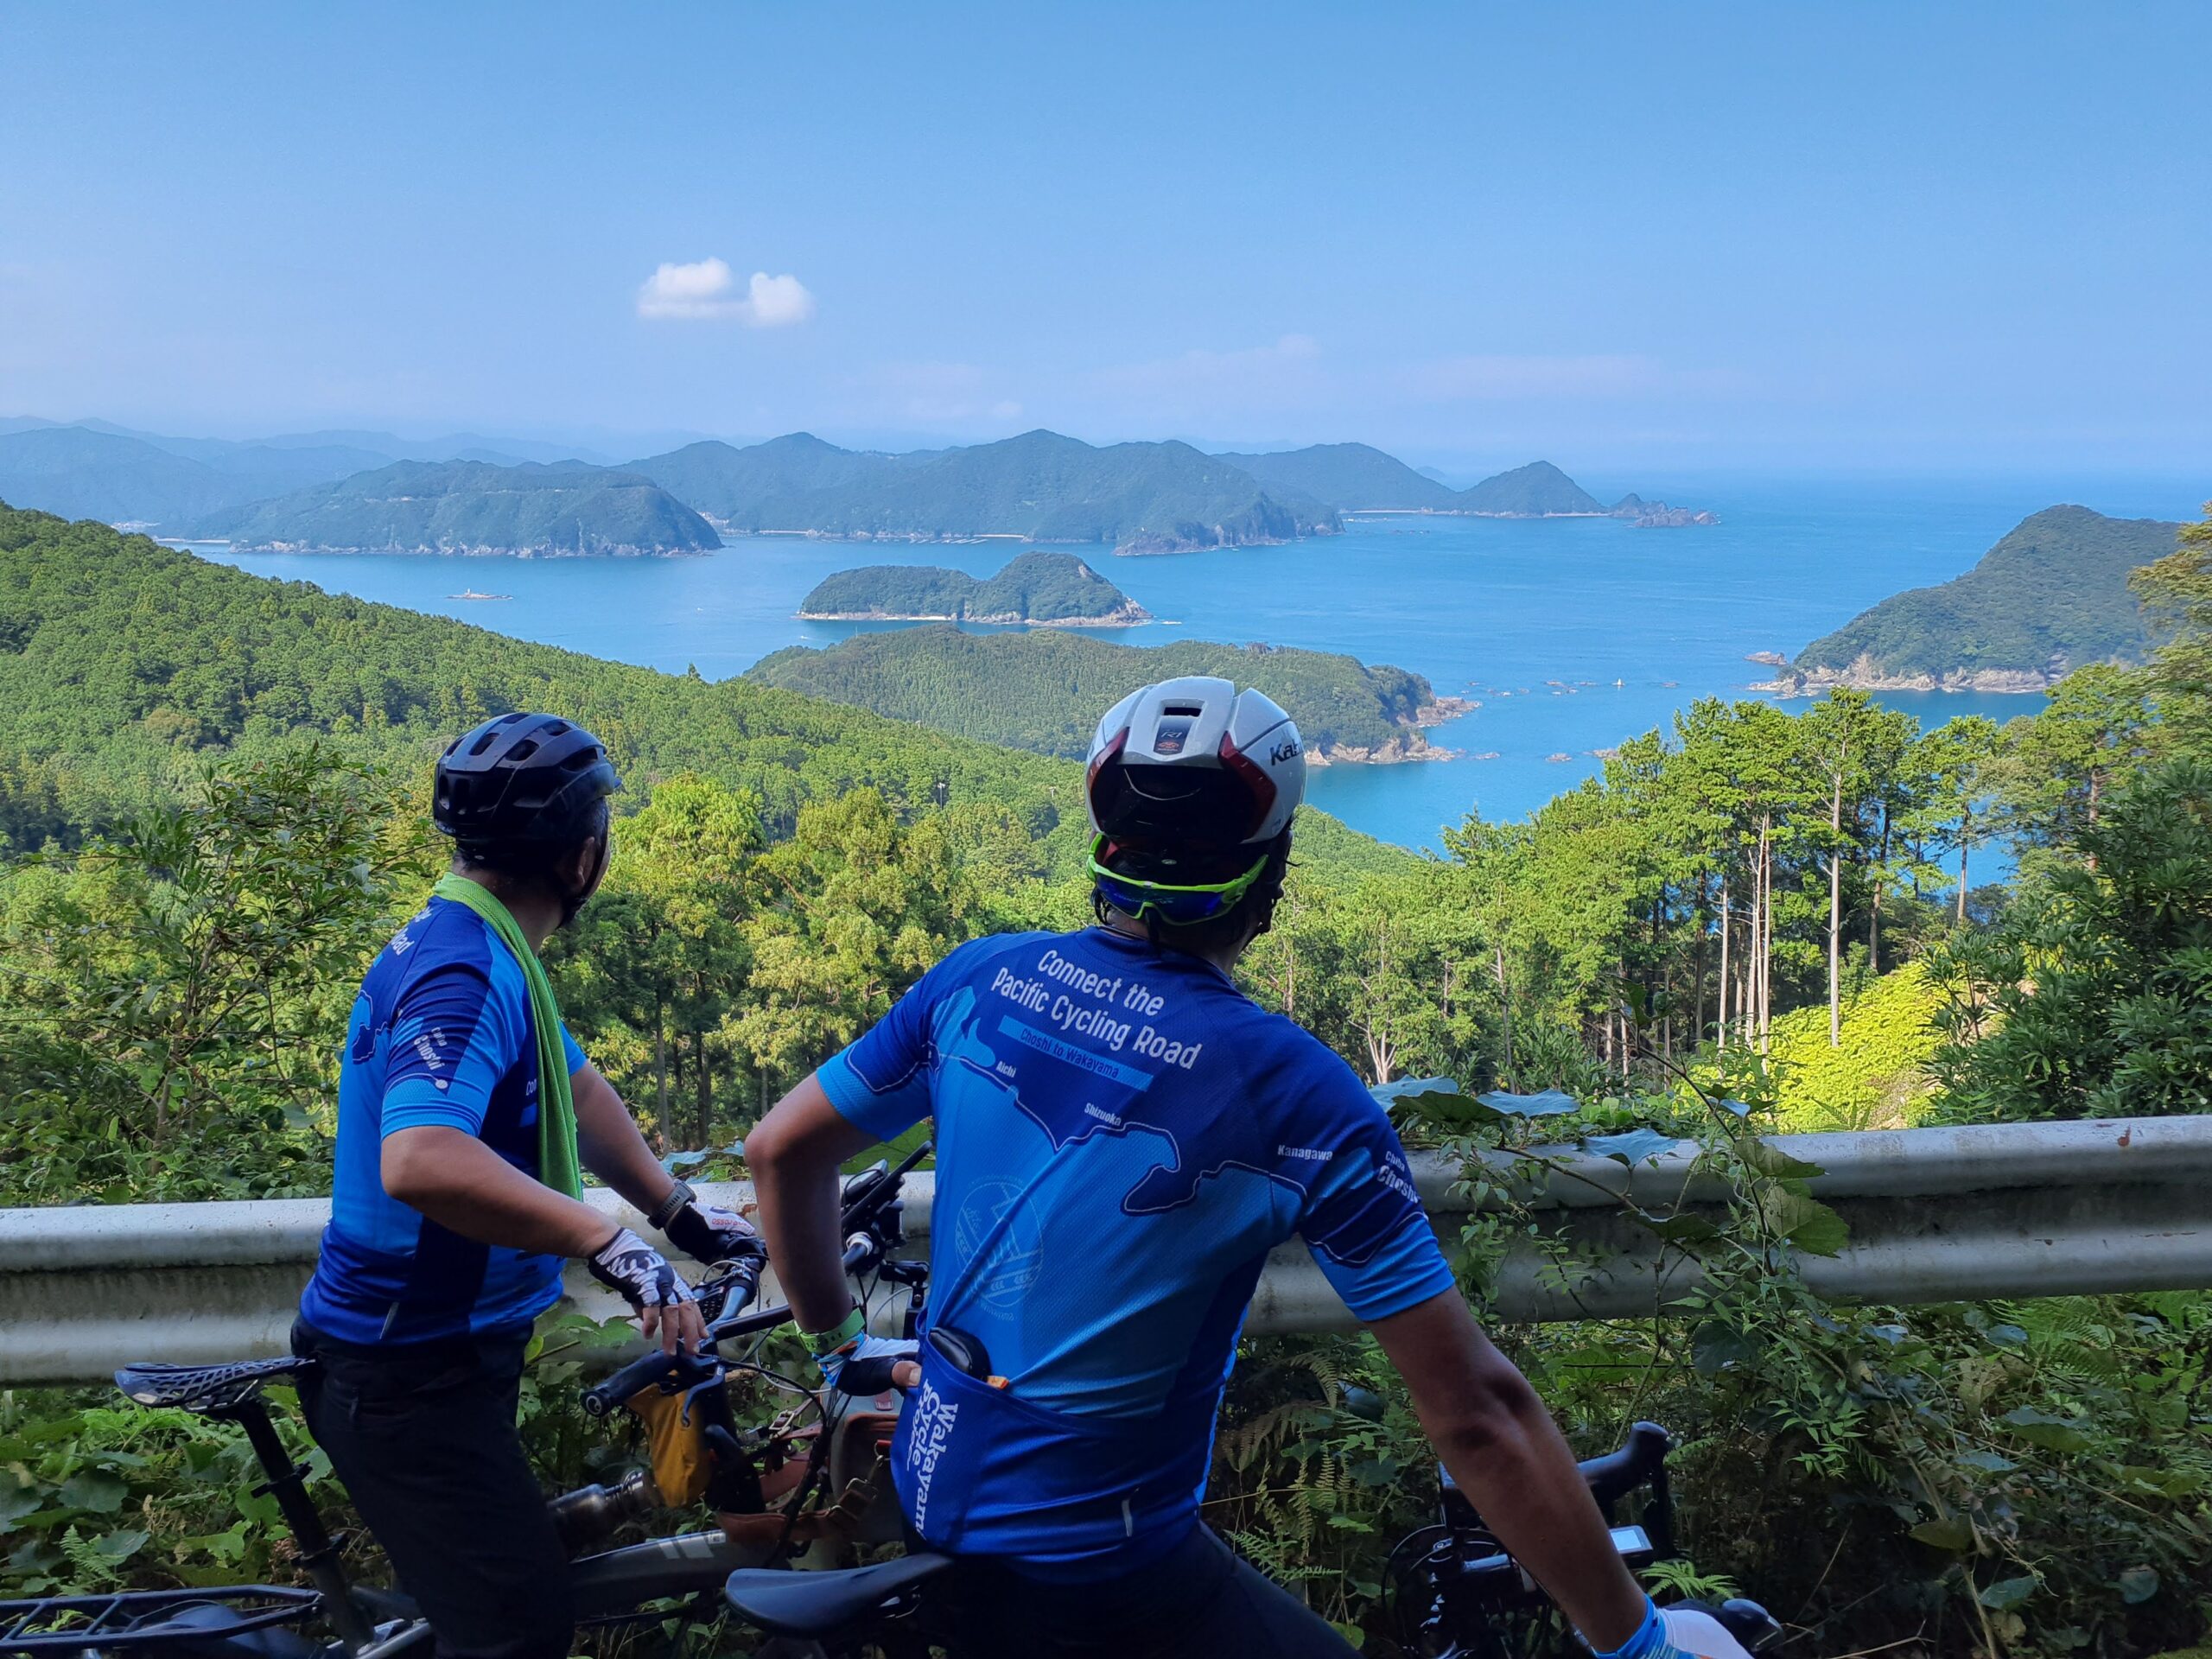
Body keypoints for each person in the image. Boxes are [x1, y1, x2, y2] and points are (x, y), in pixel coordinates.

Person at [747, 677, 1749, 1659]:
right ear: (1269, 876)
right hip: (1099, 1564)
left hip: (935, 1497)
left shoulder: (979, 981)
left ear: (1106, 850)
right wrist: (1639, 1642)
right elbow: (1476, 1416)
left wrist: (842, 1351)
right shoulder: (1295, 1096)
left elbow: (779, 1151)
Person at [291, 712, 754, 1659]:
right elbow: (419, 1157)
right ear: (582, 857)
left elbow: (575, 1088)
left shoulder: (484, 947)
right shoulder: (463, 974)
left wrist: (673, 1210)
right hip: (407, 1372)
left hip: (437, 1360)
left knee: (503, 1596)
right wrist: (606, 1238)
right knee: (517, 1635)